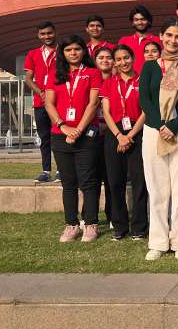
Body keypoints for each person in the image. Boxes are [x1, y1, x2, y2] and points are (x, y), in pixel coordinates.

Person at [138, 18, 178, 261]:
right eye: (169, 35)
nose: (173, 40)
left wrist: (174, 126)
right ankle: (158, 242)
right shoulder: (150, 67)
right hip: (154, 132)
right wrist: (161, 125)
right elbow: (144, 99)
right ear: (161, 36)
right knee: (157, 189)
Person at [43, 35, 102, 243]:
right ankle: (71, 224)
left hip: (86, 135)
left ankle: (91, 223)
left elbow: (93, 104)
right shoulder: (54, 74)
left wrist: (77, 129)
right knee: (68, 182)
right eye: (68, 50)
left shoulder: (93, 73)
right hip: (60, 134)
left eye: (77, 49)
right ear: (63, 53)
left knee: (88, 181)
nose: (73, 53)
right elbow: (49, 103)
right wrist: (63, 126)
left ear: (84, 51)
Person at [101, 44, 148, 241]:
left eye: (126, 58)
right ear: (114, 62)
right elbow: (106, 112)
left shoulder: (143, 81)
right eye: (119, 59)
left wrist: (130, 136)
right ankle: (119, 226)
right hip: (115, 133)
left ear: (133, 58)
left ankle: (139, 227)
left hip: (138, 131)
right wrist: (120, 135)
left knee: (139, 182)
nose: (123, 62)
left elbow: (146, 110)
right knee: (115, 182)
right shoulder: (108, 83)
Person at [23, 21, 58, 183]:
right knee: (45, 138)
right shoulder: (33, 54)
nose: (46, 36)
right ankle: (46, 171)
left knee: (59, 136)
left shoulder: (63, 51)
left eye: (49, 33)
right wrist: (41, 92)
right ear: (38, 35)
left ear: (55, 33)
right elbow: (28, 79)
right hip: (40, 102)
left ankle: (61, 171)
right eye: (43, 34)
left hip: (59, 102)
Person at [93, 47, 115, 226]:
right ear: (95, 60)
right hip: (92, 132)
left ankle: (112, 214)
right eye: (101, 57)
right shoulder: (91, 79)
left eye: (109, 57)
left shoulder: (117, 80)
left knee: (110, 177)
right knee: (92, 177)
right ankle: (88, 215)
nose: (105, 60)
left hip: (112, 131)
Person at [118, 5, 161, 73]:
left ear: (148, 21)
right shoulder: (124, 41)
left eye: (143, 19)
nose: (140, 23)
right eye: (136, 20)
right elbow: (117, 64)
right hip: (130, 78)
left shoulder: (158, 40)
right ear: (132, 22)